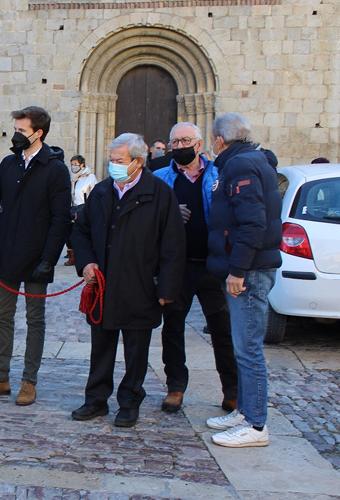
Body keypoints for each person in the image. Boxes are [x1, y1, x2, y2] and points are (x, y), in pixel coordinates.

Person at [0, 106, 72, 406]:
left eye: (21, 130)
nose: (15, 135)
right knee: (2, 316)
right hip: (7, 253)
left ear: (38, 133)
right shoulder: (9, 164)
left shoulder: (56, 169)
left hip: (37, 257)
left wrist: (49, 259)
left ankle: (29, 381)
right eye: (15, 129)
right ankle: (0, 378)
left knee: (35, 320)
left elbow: (61, 218)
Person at [71, 133, 185, 428]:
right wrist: (86, 262)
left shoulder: (159, 194)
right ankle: (96, 399)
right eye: (111, 160)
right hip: (104, 285)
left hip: (141, 284)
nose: (114, 166)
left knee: (136, 350)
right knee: (101, 347)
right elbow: (81, 231)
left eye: (119, 161)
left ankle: (130, 402)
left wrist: (166, 288)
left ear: (138, 161)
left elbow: (173, 244)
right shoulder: (102, 191)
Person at [205, 112, 282, 448]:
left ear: (220, 140)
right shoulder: (250, 161)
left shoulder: (240, 166)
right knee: (243, 347)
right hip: (249, 267)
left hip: (248, 271)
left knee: (249, 349)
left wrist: (237, 270)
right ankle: (245, 412)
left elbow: (252, 223)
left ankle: (255, 424)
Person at [153, 122, 238, 414]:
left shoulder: (220, 174)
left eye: (185, 141)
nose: (179, 146)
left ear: (199, 144)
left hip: (213, 266)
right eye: (174, 142)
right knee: (172, 329)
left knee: (223, 330)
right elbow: (148, 220)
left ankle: (232, 391)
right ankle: (175, 386)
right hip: (178, 268)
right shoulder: (160, 178)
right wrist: (169, 215)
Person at [64, 155, 97, 266]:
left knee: (81, 232)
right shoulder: (70, 177)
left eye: (76, 164)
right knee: (68, 232)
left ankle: (82, 255)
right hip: (70, 208)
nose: (74, 167)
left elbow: (94, 193)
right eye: (72, 164)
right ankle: (71, 255)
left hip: (82, 207)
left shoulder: (89, 177)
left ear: (82, 164)